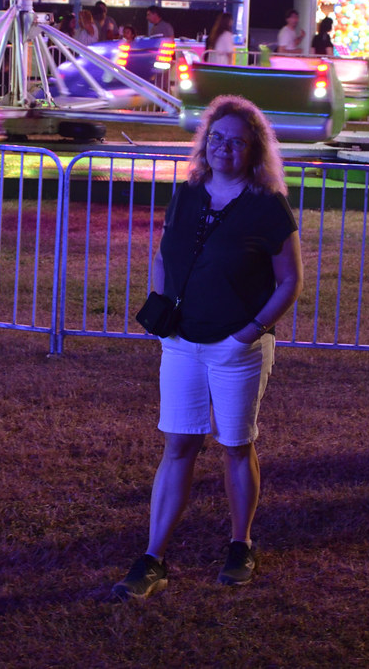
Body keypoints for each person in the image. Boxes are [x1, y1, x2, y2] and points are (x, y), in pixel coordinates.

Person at [111, 95, 303, 600]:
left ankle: (241, 544)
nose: (223, 148)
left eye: (236, 142)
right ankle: (153, 557)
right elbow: (163, 253)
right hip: (180, 343)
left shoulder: (268, 207)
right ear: (205, 143)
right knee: (178, 444)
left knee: (235, 446)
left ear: (253, 150)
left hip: (235, 347)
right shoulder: (189, 193)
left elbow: (290, 282)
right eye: (216, 138)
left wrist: (249, 332)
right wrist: (162, 304)